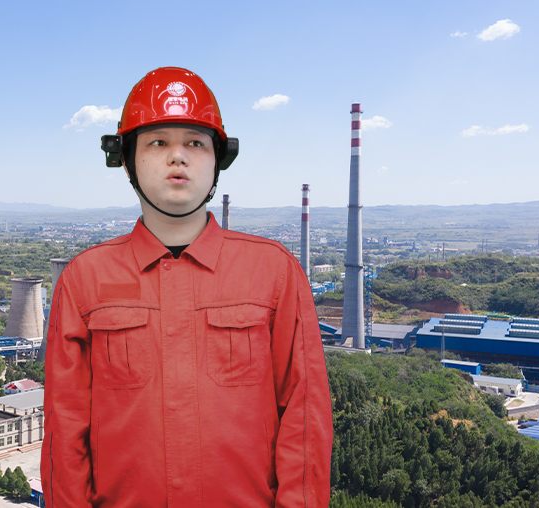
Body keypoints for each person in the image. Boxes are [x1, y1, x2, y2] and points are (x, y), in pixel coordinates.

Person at [42, 67, 333, 507]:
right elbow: (65, 433)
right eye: (157, 142)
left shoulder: (274, 272)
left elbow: (305, 418)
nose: (177, 156)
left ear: (218, 161)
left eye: (195, 143)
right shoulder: (84, 280)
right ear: (127, 161)